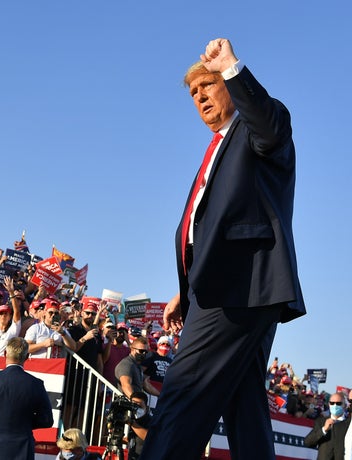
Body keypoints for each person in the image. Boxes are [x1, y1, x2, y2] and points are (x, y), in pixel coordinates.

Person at [140, 38, 306, 460]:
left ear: (230, 86)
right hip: (231, 289)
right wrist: (186, 288)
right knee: (244, 406)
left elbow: (268, 126)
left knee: (182, 394)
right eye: (194, 94)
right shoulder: (215, 149)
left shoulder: (257, 128)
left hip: (237, 287)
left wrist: (231, 66)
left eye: (207, 86)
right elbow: (207, 228)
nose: (200, 98)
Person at [0, 337, 54, 459]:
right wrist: (25, 422)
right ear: (26, 357)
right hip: (21, 450)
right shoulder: (36, 384)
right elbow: (46, 420)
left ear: (4, 354)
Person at [303, 392, 350, 460]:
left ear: (345, 405)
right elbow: (308, 442)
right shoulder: (321, 421)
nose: (335, 406)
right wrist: (323, 430)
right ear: (329, 404)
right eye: (332, 403)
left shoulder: (349, 424)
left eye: (338, 403)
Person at [126, 391, 152, 460]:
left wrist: (131, 423)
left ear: (146, 407)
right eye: (134, 405)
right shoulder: (132, 419)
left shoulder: (151, 421)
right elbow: (133, 440)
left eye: (139, 406)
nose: (136, 409)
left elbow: (148, 437)